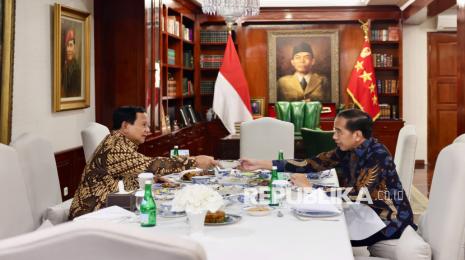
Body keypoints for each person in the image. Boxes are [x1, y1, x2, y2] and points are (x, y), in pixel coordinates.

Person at [240, 109, 415, 246]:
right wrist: (260, 163)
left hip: (388, 220)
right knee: (306, 222)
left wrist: (311, 188)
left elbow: (359, 193)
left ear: (357, 135)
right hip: (366, 211)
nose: (334, 137)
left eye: (339, 132)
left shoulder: (377, 154)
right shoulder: (348, 149)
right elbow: (312, 164)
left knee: (319, 231)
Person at [69, 106, 217, 219]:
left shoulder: (120, 143)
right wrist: (195, 162)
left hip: (112, 209)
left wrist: (155, 179)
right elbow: (151, 165)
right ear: (125, 126)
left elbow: (130, 172)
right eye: (144, 125)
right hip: (91, 218)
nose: (148, 130)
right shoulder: (115, 148)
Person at [61, 29, 81, 97]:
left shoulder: (77, 69)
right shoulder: (65, 65)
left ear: (74, 47)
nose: (68, 49)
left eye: (70, 45)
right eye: (67, 45)